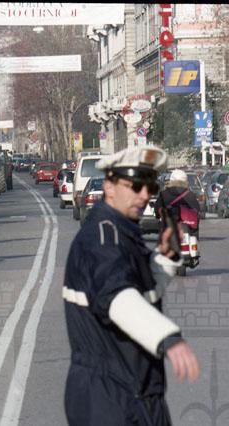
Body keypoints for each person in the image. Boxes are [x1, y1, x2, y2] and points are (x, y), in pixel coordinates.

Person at [63, 146, 199, 426]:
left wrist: (163, 260)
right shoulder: (102, 237)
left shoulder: (123, 234)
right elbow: (118, 300)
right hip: (108, 398)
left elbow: (141, 296)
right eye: (136, 185)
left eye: (150, 187)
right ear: (109, 187)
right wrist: (168, 339)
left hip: (138, 392)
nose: (145, 195)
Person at [155, 169, 200, 238]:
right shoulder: (190, 194)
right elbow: (197, 210)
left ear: (171, 180)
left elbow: (157, 209)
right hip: (188, 231)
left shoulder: (164, 194)